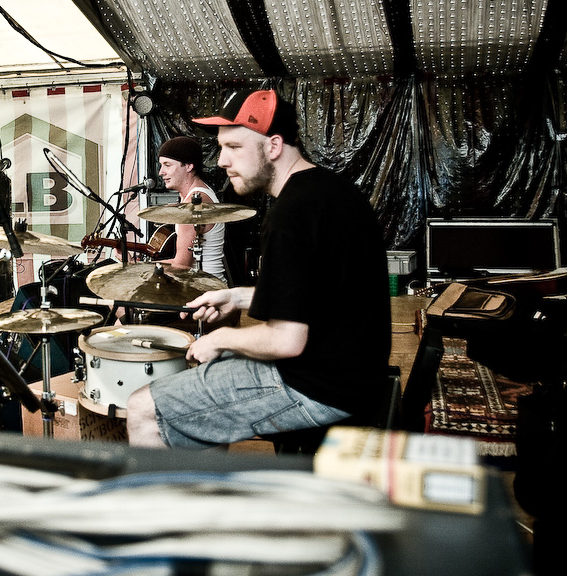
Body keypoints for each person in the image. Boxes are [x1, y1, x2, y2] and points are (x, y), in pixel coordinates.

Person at [125, 89, 391, 449]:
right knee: (207, 383)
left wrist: (219, 338)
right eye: (221, 147)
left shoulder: (291, 213)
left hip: (318, 386)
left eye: (234, 147)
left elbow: (286, 341)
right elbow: (322, 295)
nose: (222, 161)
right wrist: (237, 297)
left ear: (274, 146)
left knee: (144, 407)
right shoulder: (331, 191)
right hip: (357, 376)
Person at [154, 136, 227, 282]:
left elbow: (181, 265)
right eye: (161, 165)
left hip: (205, 289)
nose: (161, 172)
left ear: (188, 166)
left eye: (167, 165)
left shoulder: (195, 202)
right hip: (205, 284)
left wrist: (135, 268)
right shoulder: (198, 193)